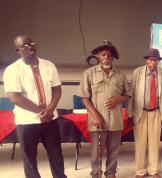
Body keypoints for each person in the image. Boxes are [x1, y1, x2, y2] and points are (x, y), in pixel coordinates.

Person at [3, 35, 67, 178]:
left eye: (31, 43)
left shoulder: (49, 65)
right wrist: (42, 112)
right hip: (26, 121)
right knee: (29, 158)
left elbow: (57, 89)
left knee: (56, 154)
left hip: (51, 119)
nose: (30, 46)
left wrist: (50, 110)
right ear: (17, 50)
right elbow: (15, 97)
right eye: (25, 45)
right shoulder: (12, 70)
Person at [78, 41, 130, 178]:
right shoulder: (89, 73)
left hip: (116, 121)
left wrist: (119, 99)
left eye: (109, 55)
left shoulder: (120, 74)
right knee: (97, 151)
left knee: (114, 151)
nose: (106, 57)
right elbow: (84, 97)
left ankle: (111, 174)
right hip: (98, 121)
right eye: (103, 54)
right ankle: (96, 174)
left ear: (112, 57)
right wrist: (95, 115)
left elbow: (127, 94)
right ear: (99, 57)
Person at [127, 48, 162, 178]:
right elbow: (131, 95)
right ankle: (140, 171)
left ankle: (153, 170)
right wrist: (130, 114)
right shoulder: (137, 73)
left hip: (156, 112)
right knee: (140, 143)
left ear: (158, 61)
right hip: (140, 112)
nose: (153, 62)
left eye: (156, 60)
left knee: (154, 142)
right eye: (150, 59)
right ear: (146, 60)